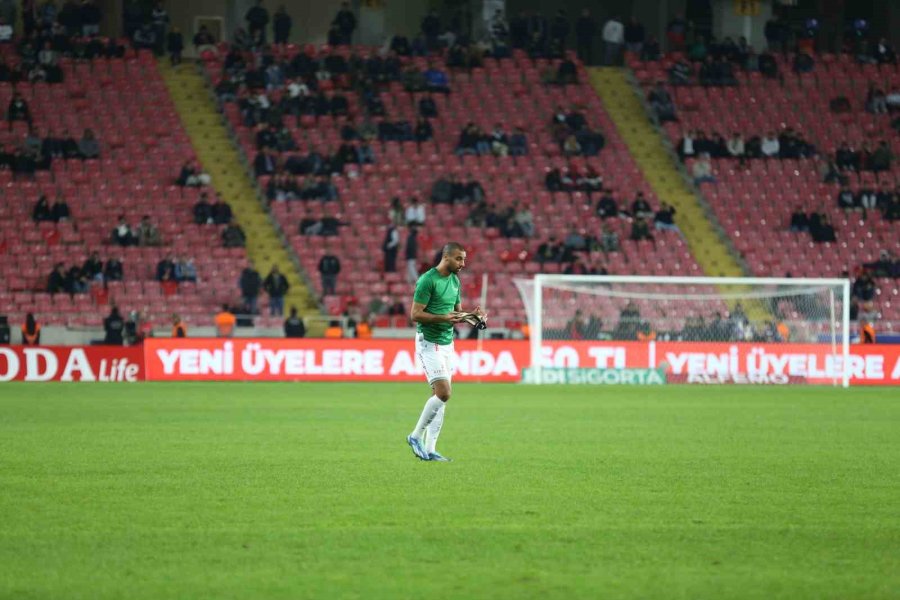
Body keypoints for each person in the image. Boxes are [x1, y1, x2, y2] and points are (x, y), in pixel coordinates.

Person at [407, 242, 487, 463]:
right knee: (444, 392)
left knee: (440, 398)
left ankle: (431, 449)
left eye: (464, 259)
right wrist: (443, 318)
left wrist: (474, 318)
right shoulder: (427, 280)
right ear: (446, 257)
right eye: (459, 259)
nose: (463, 263)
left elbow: (457, 314)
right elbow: (415, 314)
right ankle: (415, 436)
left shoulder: (454, 281)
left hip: (447, 343)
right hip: (428, 342)